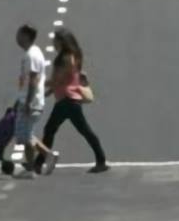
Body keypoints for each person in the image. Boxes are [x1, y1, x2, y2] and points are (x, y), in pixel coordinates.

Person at [38, 28, 108, 174]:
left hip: (67, 101)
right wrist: (48, 92)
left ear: (62, 42)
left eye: (55, 41)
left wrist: (37, 82)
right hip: (68, 100)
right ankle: (101, 160)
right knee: (82, 131)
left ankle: (39, 162)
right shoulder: (70, 57)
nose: (53, 43)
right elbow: (64, 81)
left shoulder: (65, 58)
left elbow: (59, 80)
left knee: (51, 130)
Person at [12, 24, 52, 178]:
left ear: (26, 36)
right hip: (28, 99)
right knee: (25, 135)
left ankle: (30, 170)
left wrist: (28, 102)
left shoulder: (31, 55)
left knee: (26, 137)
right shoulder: (31, 53)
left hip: (31, 101)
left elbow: (33, 80)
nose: (17, 38)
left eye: (19, 34)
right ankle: (48, 156)